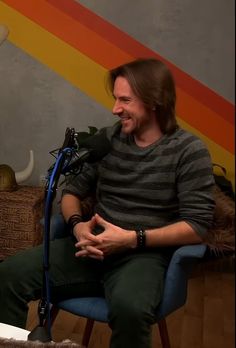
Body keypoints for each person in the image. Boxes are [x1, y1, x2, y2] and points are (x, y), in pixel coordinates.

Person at [0, 58, 215, 348]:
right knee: (8, 276)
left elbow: (197, 226)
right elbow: (72, 193)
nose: (115, 109)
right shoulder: (109, 139)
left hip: (142, 255)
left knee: (131, 309)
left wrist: (131, 239)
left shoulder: (188, 151)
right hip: (90, 247)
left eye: (125, 100)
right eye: (115, 99)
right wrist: (77, 226)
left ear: (155, 100)